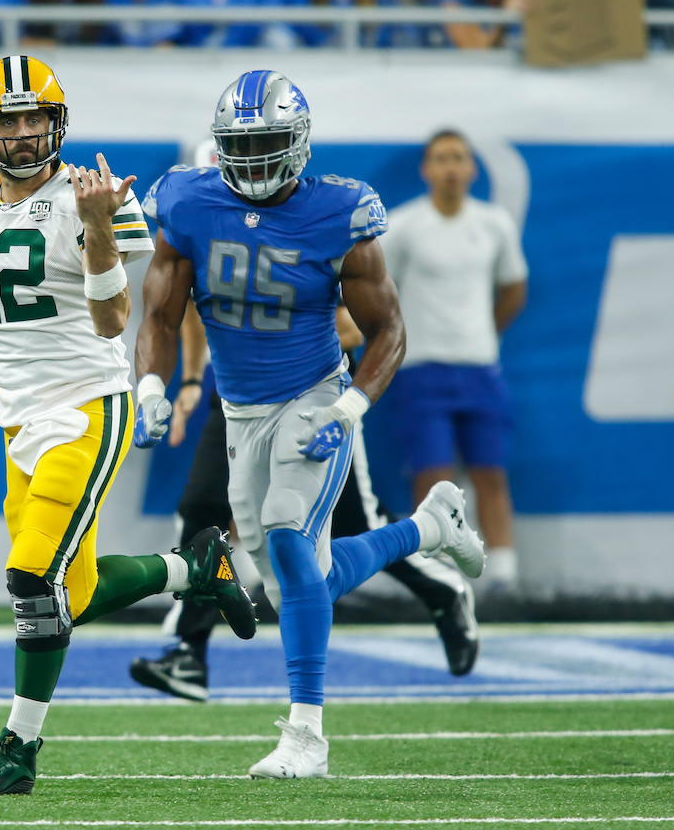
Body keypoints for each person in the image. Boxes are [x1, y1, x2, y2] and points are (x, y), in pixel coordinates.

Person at [0, 55, 258, 797]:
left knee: (35, 579)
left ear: (57, 124)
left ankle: (18, 751)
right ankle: (196, 567)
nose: (25, 133)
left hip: (88, 409)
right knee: (76, 588)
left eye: (36, 118)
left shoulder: (90, 199)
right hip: (18, 421)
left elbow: (112, 320)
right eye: (10, 119)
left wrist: (96, 229)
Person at [133, 70, 486, 778]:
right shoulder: (186, 199)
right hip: (240, 407)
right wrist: (149, 384)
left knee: (292, 540)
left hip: (312, 393)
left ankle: (306, 738)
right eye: (243, 144)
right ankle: (430, 528)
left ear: (297, 144)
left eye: (269, 142)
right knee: (295, 574)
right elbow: (163, 314)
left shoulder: (341, 212)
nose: (256, 158)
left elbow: (388, 330)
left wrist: (350, 407)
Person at [130, 300, 481, 704]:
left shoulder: (316, 237)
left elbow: (360, 325)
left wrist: (284, 352)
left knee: (356, 524)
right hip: (239, 395)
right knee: (201, 505)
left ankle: (443, 586)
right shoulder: (205, 236)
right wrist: (191, 379)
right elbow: (187, 300)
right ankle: (189, 651)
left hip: (311, 396)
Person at [379, 129, 527, 591]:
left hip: (481, 369)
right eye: (441, 158)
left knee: (490, 473)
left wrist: (482, 333)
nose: (449, 167)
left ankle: (503, 575)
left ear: (471, 169)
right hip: (421, 372)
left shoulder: (493, 224)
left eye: (458, 158)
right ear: (426, 169)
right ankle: (435, 577)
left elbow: (513, 287)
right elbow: (378, 295)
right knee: (432, 476)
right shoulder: (403, 226)